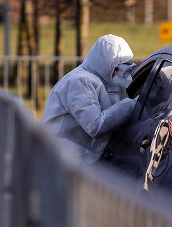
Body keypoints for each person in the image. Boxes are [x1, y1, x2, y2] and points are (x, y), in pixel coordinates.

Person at [42, 34, 138, 164]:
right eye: (118, 68)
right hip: (61, 159)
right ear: (107, 65)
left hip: (76, 159)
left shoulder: (103, 81)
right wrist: (133, 104)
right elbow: (95, 125)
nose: (122, 75)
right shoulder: (79, 81)